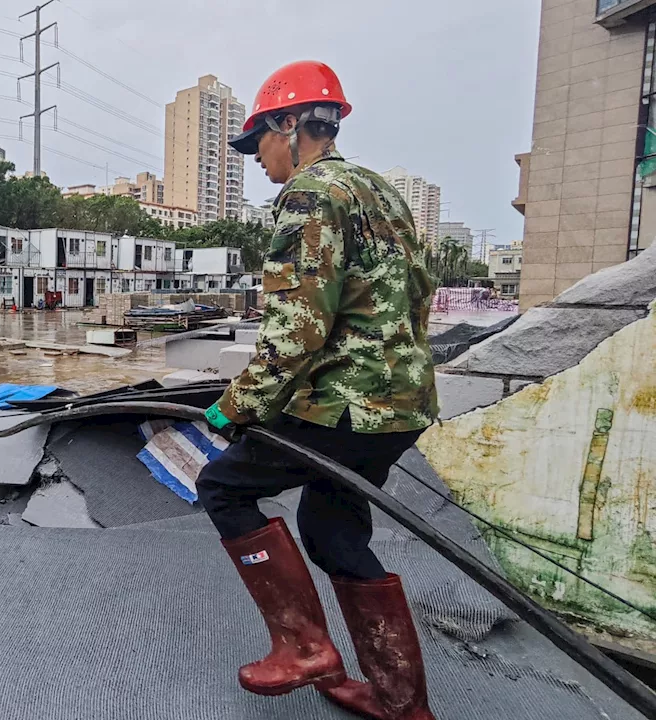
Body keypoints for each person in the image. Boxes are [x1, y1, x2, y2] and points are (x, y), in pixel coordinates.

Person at [194, 61, 438, 720]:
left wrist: (235, 407)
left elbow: (296, 332)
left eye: (261, 144)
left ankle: (302, 645)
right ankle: (400, 703)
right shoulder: (380, 192)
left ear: (291, 124)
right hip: (403, 403)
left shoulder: (309, 194)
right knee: (331, 531)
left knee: (222, 487)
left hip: (344, 406)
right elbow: (411, 301)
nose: (260, 161)